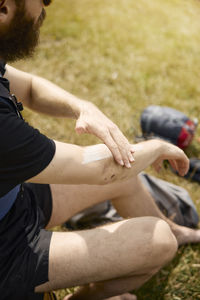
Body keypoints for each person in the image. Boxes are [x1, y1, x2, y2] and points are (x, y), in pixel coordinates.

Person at [0, 1, 200, 300]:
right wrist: (158, 146)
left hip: (12, 199)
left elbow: (27, 87)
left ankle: (177, 229)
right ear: (3, 8)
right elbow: (100, 168)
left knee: (126, 178)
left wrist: (83, 106)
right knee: (157, 241)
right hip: (6, 255)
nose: (45, 6)